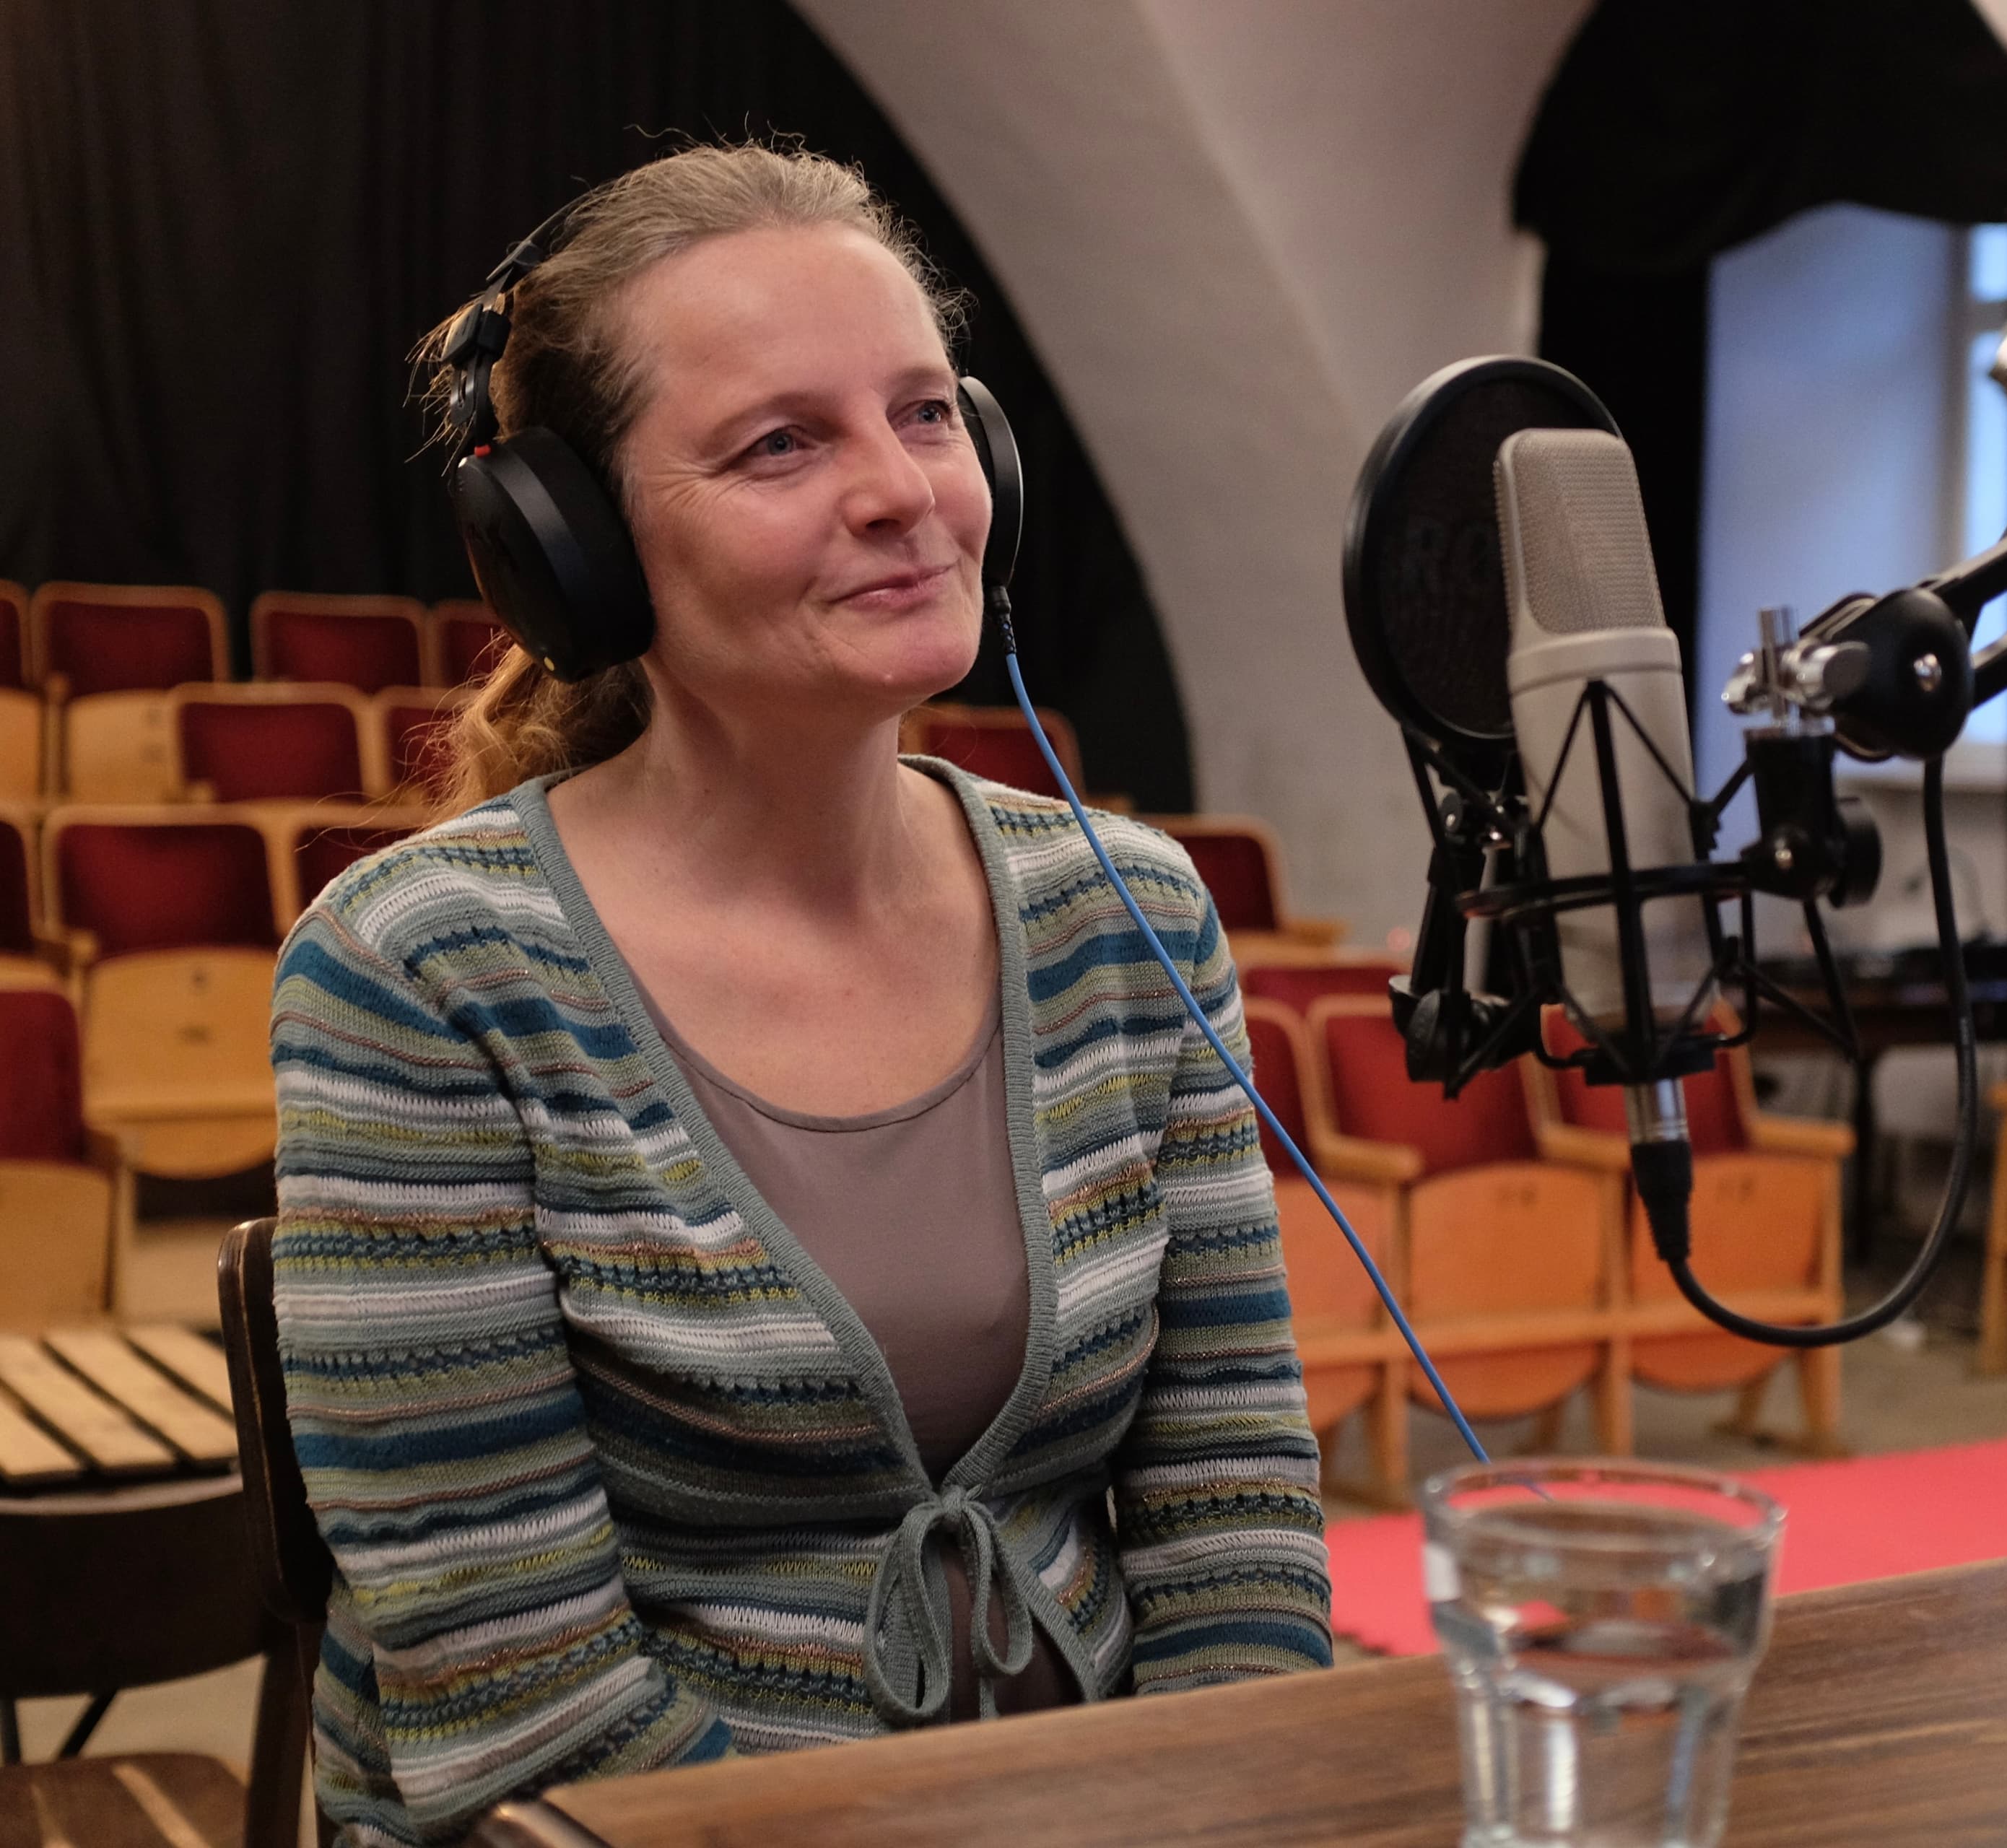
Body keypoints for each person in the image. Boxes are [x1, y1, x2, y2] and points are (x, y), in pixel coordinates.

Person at [270, 144, 1330, 1848]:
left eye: (925, 414)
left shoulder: (1131, 912)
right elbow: (525, 1716)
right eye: (781, 442)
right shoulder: (420, 970)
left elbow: (1238, 1532)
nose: (903, 490)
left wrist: (1223, 1807)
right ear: (574, 545)